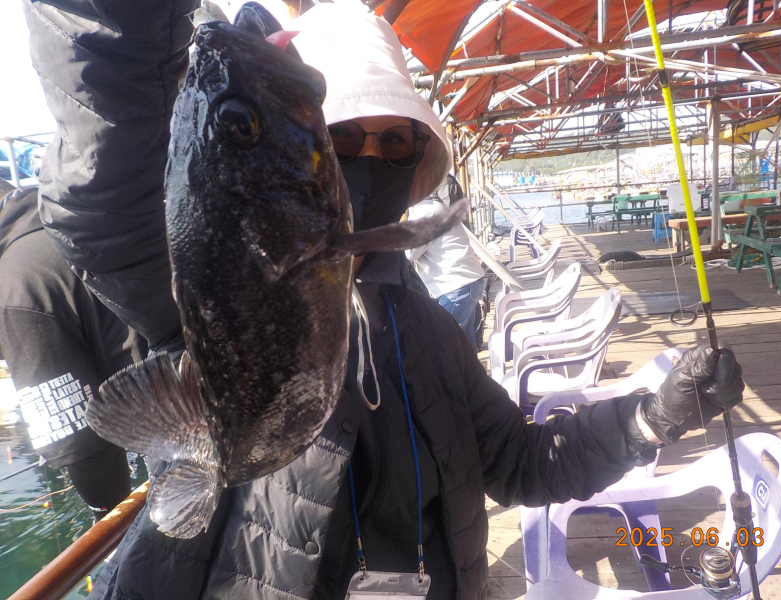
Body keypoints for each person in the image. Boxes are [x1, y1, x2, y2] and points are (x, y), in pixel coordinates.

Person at [23, 3, 744, 599]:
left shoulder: (429, 328)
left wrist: (649, 420)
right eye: (343, 138)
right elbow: (103, 178)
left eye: (396, 144)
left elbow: (521, 460)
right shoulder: (198, 283)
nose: (372, 160)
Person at [0, 187, 148, 520]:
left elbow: (82, 442)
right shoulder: (81, 212)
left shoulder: (17, 290)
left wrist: (107, 517)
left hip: (187, 427)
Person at [406, 174, 487, 350]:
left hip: (456, 287)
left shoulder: (425, 213)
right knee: (465, 345)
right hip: (468, 281)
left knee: (443, 345)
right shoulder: (435, 206)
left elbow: (408, 253)